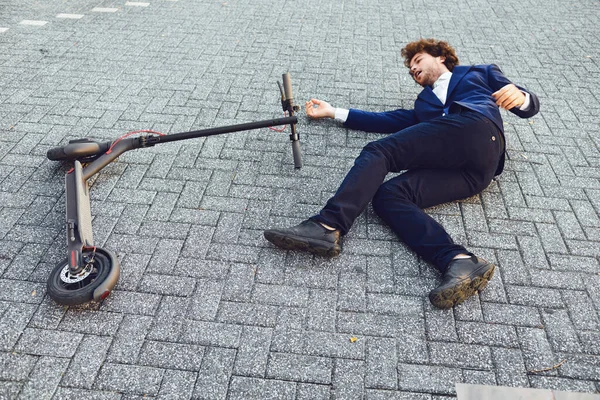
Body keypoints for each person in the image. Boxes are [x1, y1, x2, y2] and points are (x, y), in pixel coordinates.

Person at [264, 38, 540, 309]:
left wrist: (522, 97)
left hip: (478, 130)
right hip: (470, 175)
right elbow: (388, 120)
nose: (413, 70)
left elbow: (525, 103)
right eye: (410, 70)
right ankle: (458, 260)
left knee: (380, 152)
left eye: (418, 61)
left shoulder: (478, 72)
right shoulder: (424, 105)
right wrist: (333, 111)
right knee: (387, 196)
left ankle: (328, 225)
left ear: (440, 57)